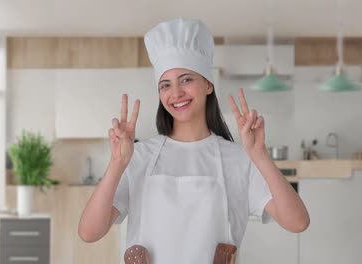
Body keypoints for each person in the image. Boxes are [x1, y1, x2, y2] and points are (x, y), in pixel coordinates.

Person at [78, 18, 310, 264]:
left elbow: (297, 222)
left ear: (208, 84)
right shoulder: (139, 157)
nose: (176, 93)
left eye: (186, 80)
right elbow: (89, 232)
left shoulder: (239, 159)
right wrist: (116, 163)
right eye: (165, 85)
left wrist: (260, 155)